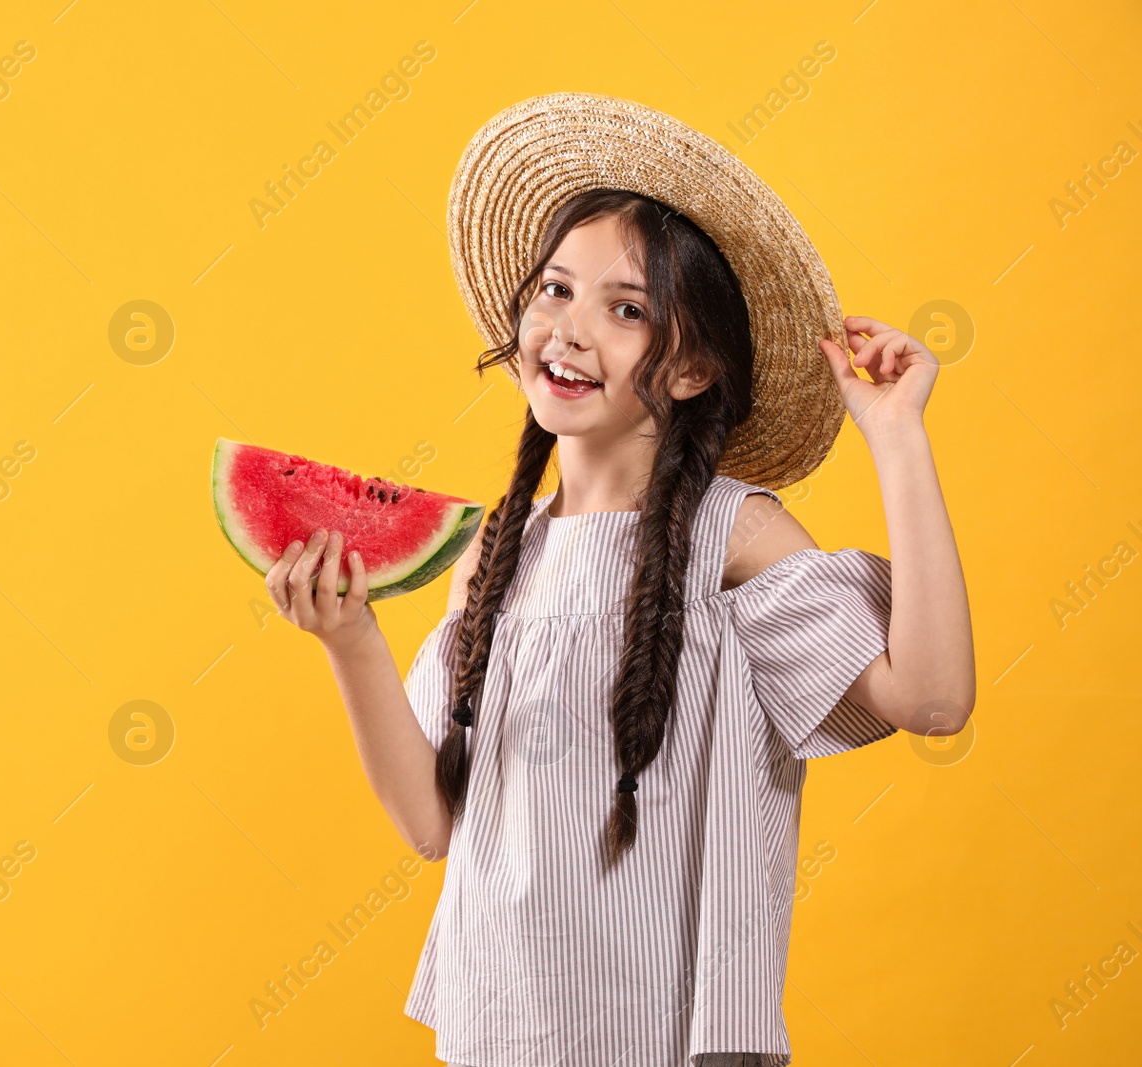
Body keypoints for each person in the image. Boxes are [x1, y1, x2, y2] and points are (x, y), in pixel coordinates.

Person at [261, 93, 974, 1067]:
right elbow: (431, 821)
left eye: (626, 307)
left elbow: (931, 697)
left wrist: (896, 441)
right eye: (553, 289)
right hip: (496, 1030)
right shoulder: (490, 554)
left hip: (668, 1042)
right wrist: (349, 639)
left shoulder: (732, 535)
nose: (569, 328)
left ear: (688, 369)